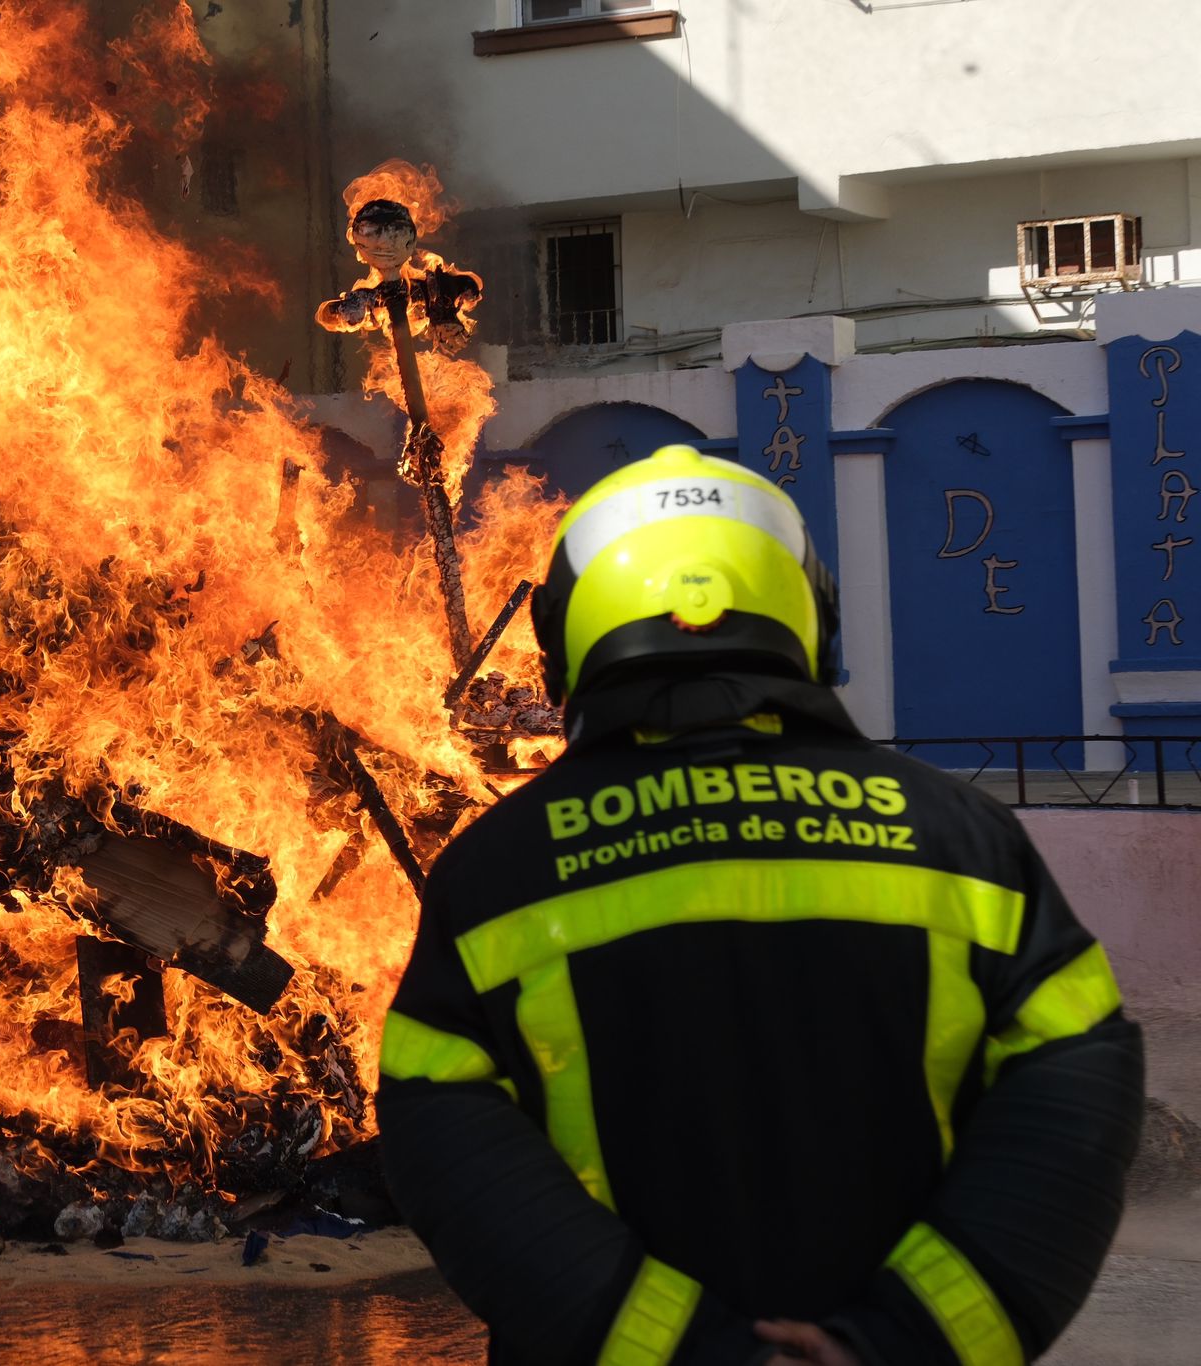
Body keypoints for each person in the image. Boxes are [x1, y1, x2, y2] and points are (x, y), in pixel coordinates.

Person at [377, 445, 1144, 1365]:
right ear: (811, 619)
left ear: (567, 647)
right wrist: (900, 1341)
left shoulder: (500, 870)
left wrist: (679, 1347)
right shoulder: (966, 841)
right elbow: (1072, 1106)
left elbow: (449, 1144)